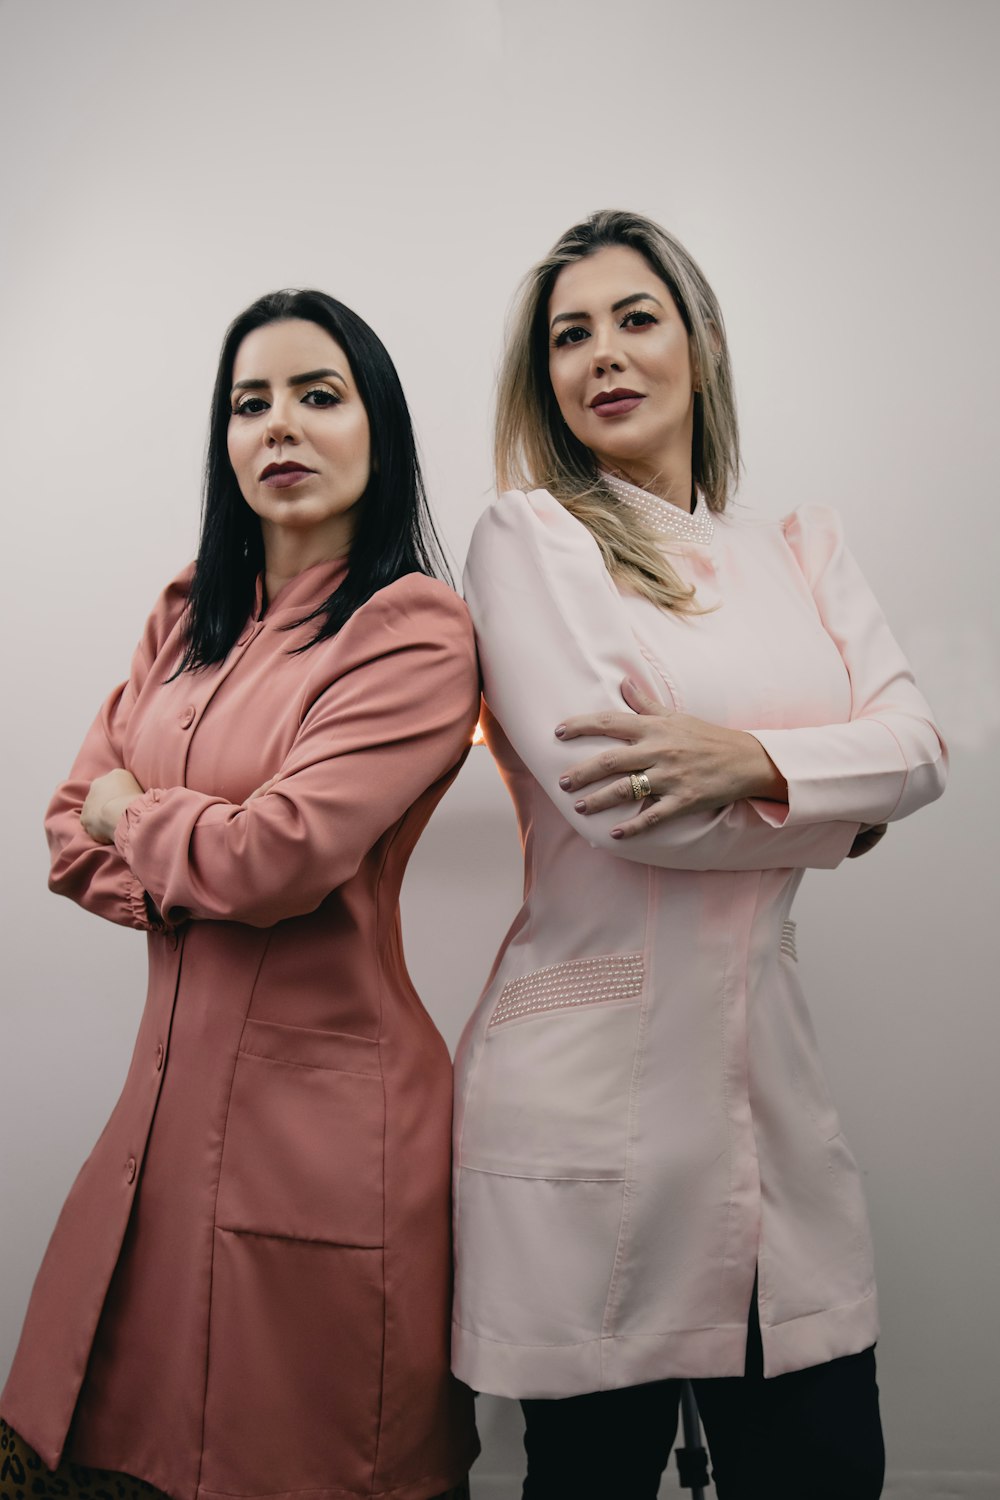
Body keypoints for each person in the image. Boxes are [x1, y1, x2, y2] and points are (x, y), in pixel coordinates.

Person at [453, 210, 947, 1499]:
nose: (602, 354)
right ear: (544, 377)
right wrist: (841, 806)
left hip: (770, 1108)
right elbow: (626, 805)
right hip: (586, 1102)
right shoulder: (531, 541)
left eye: (635, 318)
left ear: (701, 345)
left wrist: (752, 767)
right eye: (569, 335)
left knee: (827, 1468)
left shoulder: (801, 550)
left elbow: (921, 744)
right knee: (590, 1482)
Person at [0, 290, 479, 1500]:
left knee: (306, 1463)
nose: (281, 425)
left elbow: (281, 858)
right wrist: (197, 862)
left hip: (327, 1137)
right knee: (117, 1448)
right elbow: (66, 833)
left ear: (381, 432)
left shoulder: (410, 631)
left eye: (320, 396)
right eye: (249, 402)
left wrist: (142, 819)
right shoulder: (186, 619)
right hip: (158, 1129)